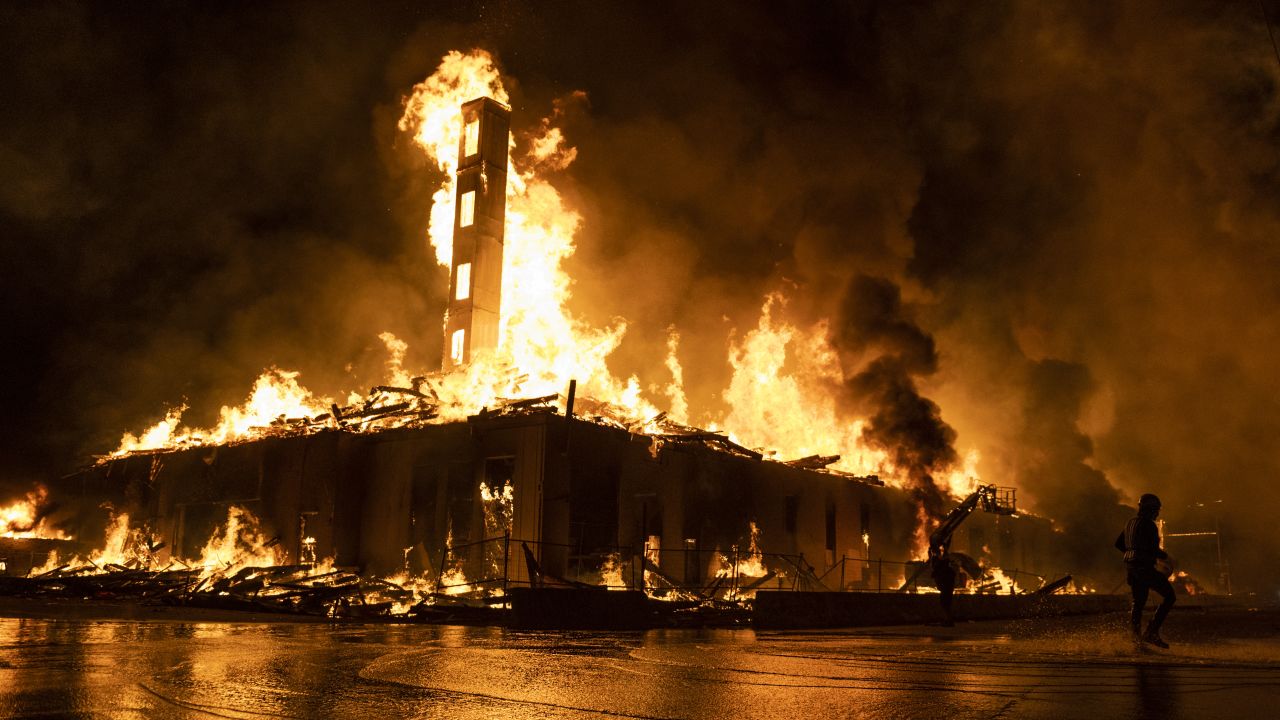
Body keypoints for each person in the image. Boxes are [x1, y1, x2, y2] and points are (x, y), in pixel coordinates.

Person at [1115, 493, 1176, 648]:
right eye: (1155, 510)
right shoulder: (1149, 525)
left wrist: (1132, 553)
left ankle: (1136, 639)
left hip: (1132, 568)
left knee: (1138, 603)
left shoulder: (1130, 523)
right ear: (1151, 509)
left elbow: (1119, 544)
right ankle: (1152, 632)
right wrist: (1168, 557)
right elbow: (1153, 549)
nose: (1157, 513)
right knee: (1170, 596)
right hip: (1144, 568)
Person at [929, 538, 957, 627]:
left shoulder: (943, 567)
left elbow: (939, 560)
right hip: (946, 587)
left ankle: (948, 620)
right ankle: (948, 620)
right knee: (945, 603)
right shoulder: (941, 566)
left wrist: (945, 546)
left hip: (946, 587)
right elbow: (934, 562)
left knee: (945, 603)